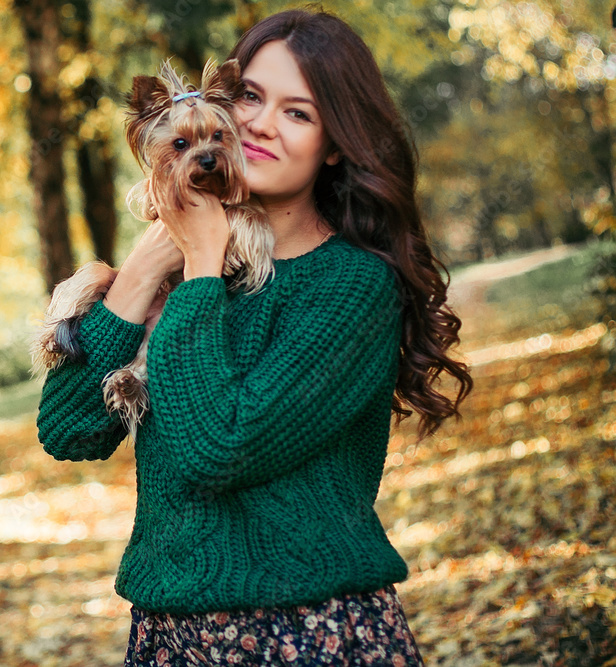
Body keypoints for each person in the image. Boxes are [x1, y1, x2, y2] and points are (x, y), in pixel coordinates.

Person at [36, 6, 472, 665]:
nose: (262, 122)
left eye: (298, 112)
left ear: (333, 143)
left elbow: (220, 447)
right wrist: (155, 260)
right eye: (250, 97)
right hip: (169, 636)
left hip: (306, 632)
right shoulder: (186, 272)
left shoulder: (350, 286)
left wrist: (203, 264)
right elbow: (69, 429)